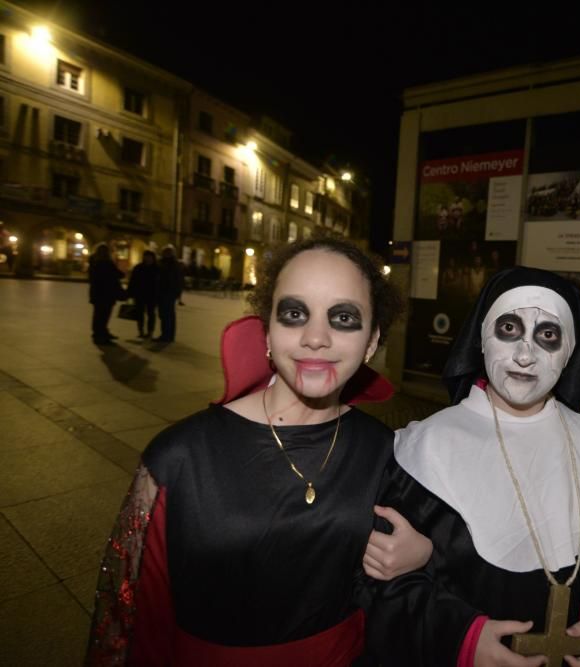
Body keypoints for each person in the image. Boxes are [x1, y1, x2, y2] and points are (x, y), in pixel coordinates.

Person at [86, 239, 431, 666]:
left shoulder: (384, 452)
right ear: (266, 330)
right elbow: (134, 619)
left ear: (372, 339)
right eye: (294, 313)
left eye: (343, 317)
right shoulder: (180, 457)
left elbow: (402, 599)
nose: (315, 337)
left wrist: (424, 556)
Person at [366, 267, 580, 667]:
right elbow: (387, 584)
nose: (525, 354)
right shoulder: (426, 448)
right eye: (509, 328)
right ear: (481, 339)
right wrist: (461, 637)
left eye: (548, 335)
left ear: (569, 353)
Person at [88, 242, 125, 345]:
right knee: (104, 315)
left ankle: (98, 333)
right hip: (107, 294)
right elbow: (120, 275)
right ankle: (102, 335)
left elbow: (92, 279)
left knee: (98, 314)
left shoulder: (93, 263)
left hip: (96, 293)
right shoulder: (107, 263)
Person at [154, 246, 184, 343]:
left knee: (167, 314)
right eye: (165, 252)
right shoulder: (164, 263)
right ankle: (169, 335)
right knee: (166, 314)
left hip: (168, 292)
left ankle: (166, 335)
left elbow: (178, 279)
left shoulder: (173, 264)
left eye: (168, 252)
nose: (166, 254)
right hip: (164, 292)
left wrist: (177, 293)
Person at [127, 250, 159, 338]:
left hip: (152, 295)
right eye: (146, 256)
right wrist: (130, 293)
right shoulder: (138, 268)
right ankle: (140, 331)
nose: (148, 258)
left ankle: (150, 332)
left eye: (149, 257)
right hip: (139, 294)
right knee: (140, 314)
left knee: (151, 314)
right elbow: (132, 281)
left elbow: (161, 283)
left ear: (153, 258)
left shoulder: (157, 268)